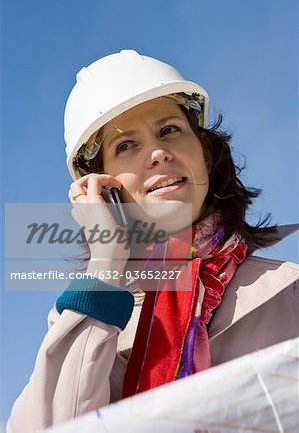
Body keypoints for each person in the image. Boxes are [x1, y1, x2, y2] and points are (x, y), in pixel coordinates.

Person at [7, 50, 298, 432]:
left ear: (205, 152)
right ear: (100, 187)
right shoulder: (86, 319)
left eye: (170, 130)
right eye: (125, 146)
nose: (159, 153)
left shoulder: (289, 290)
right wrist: (105, 266)